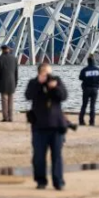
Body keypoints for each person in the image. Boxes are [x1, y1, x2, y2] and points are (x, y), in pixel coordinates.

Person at [25, 63, 68, 191]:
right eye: (45, 73)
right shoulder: (33, 83)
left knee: (57, 155)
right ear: (39, 73)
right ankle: (40, 180)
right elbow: (28, 95)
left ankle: (58, 181)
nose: (48, 76)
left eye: (49, 73)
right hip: (39, 125)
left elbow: (63, 96)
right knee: (38, 156)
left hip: (56, 125)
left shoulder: (57, 81)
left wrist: (54, 87)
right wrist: (39, 83)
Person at [0, 45, 18, 122]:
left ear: (2, 50)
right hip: (12, 82)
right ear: (9, 50)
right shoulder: (14, 58)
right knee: (11, 101)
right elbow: (16, 72)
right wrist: (16, 82)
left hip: (3, 82)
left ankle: (5, 117)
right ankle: (11, 117)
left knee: (4, 100)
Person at [78, 54, 99, 126]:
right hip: (95, 89)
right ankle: (92, 122)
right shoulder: (98, 70)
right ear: (94, 61)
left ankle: (81, 121)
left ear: (88, 61)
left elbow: (80, 78)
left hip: (86, 89)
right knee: (92, 106)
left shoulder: (84, 70)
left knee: (84, 105)